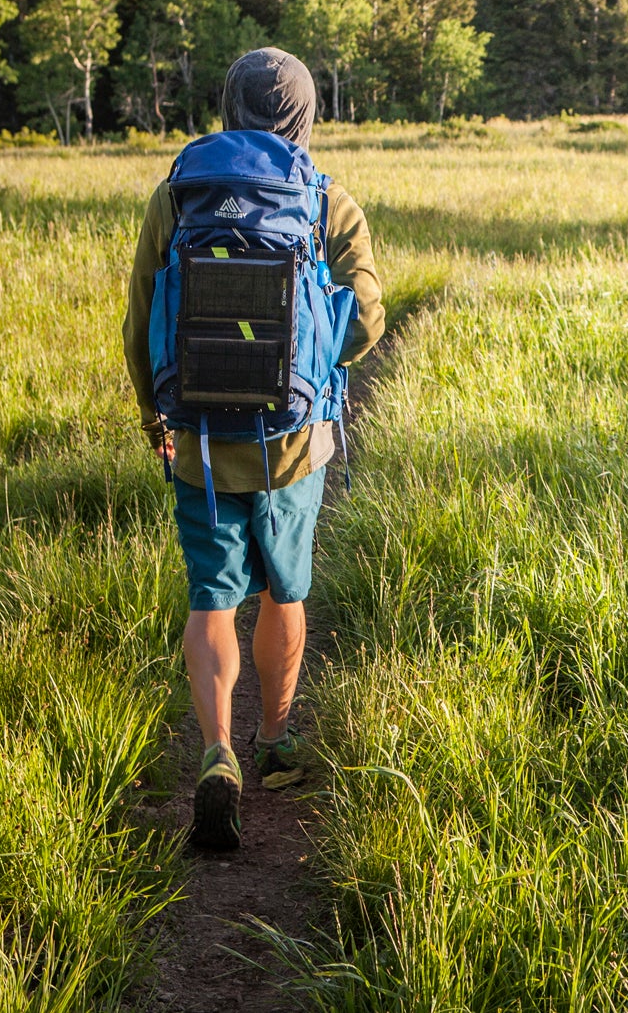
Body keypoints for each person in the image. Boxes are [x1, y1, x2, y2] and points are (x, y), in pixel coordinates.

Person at [122, 48, 384, 850]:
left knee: (212, 594)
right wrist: (319, 361)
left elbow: (140, 325)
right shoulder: (326, 200)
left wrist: (153, 417)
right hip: (293, 444)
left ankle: (215, 753)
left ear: (230, 106)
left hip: (198, 439)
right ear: (304, 115)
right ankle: (275, 743)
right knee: (284, 587)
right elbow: (368, 319)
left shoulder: (177, 195)